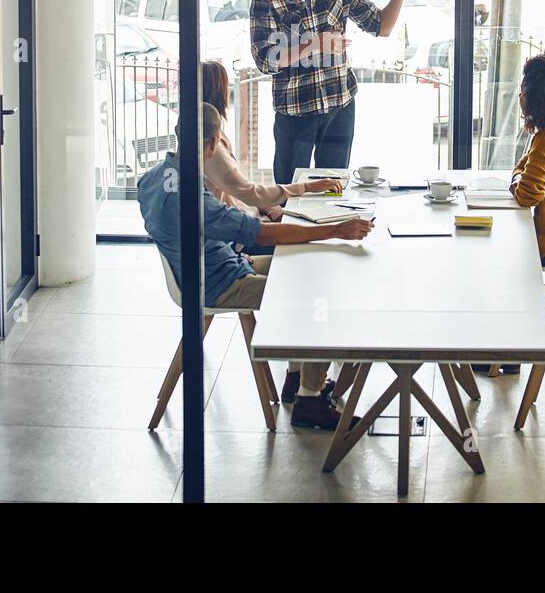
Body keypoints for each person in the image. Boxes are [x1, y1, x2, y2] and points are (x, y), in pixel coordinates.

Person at [137, 102, 374, 430]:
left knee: (306, 265)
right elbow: (262, 233)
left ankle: (298, 379)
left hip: (212, 268)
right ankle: (309, 400)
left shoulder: (152, 179)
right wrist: (336, 230)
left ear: (178, 133)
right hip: (220, 284)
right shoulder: (192, 198)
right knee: (319, 297)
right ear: (213, 143)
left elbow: (193, 235)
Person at [250, 0, 408, 185]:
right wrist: (314, 44)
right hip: (295, 110)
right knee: (290, 191)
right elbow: (265, 60)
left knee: (334, 190)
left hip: (339, 105)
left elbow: (380, 27)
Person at [200, 59, 343, 219]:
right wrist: (306, 187)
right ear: (221, 92)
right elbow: (249, 193)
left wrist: (268, 208)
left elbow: (241, 192)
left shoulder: (204, 133)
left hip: (246, 213)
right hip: (238, 224)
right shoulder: (212, 146)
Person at [511, 54, 545, 269]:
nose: (520, 98)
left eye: (522, 93)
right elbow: (523, 166)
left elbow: (526, 196)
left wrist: (516, 180)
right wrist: (519, 175)